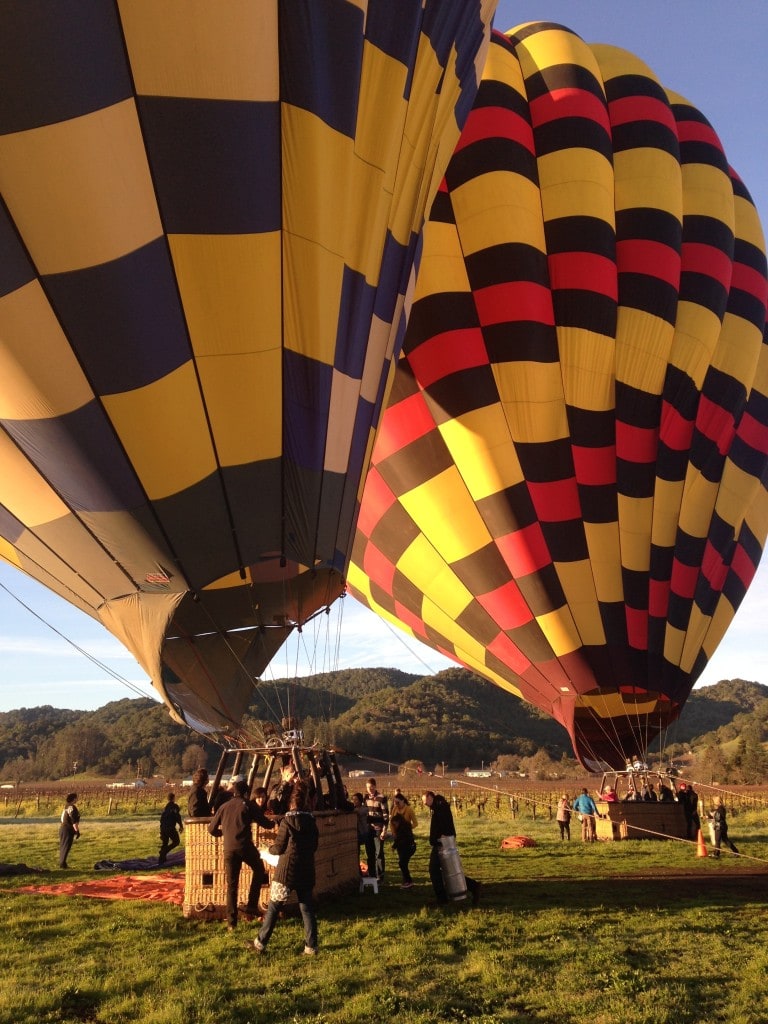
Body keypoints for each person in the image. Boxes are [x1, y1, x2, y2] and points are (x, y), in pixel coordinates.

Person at [251, 780, 319, 956]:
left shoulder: (287, 821)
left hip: (287, 872)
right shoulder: (312, 822)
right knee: (307, 909)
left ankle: (260, 943)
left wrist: (267, 849)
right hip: (306, 869)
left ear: (291, 802)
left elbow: (279, 848)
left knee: (274, 908)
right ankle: (311, 947)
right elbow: (314, 846)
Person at [208, 779, 275, 930]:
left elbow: (211, 829)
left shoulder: (224, 807)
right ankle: (251, 905)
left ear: (234, 792)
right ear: (246, 792)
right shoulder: (248, 805)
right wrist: (275, 823)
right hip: (245, 846)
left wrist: (224, 833)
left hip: (229, 849)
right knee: (259, 870)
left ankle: (232, 923)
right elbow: (264, 822)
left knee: (232, 885)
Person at [421, 790, 481, 906]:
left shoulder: (440, 806)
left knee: (434, 870)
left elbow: (445, 822)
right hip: (440, 842)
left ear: (430, 797)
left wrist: (444, 834)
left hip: (442, 843)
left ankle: (442, 899)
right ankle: (473, 886)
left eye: (425, 800)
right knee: (448, 870)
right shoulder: (437, 806)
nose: (424, 803)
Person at [390, 792, 418, 888]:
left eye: (398, 802)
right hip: (398, 838)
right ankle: (405, 880)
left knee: (403, 862)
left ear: (403, 801)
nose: (396, 804)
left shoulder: (409, 809)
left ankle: (408, 881)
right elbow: (391, 821)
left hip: (406, 839)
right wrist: (393, 833)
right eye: (395, 802)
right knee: (402, 861)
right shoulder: (394, 809)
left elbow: (415, 823)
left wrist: (407, 829)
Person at [363, 778, 389, 880]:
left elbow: (386, 815)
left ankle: (380, 876)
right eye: (368, 788)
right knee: (369, 853)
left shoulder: (382, 798)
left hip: (379, 829)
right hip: (369, 829)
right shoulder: (365, 798)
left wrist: (384, 830)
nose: (370, 789)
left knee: (379, 853)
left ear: (375, 786)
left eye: (371, 787)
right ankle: (372, 875)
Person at [158, 792, 183, 865]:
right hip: (170, 828)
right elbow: (177, 816)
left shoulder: (165, 808)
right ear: (174, 798)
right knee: (176, 841)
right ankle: (164, 851)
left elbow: (161, 819)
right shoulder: (175, 806)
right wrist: (181, 826)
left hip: (163, 828)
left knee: (165, 843)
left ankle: (161, 860)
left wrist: (161, 829)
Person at [59, 792, 80, 868]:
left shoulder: (66, 806)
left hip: (62, 828)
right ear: (74, 799)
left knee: (63, 846)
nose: (77, 799)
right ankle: (62, 864)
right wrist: (77, 831)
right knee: (66, 846)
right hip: (67, 829)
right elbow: (73, 820)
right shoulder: (72, 807)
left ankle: (62, 863)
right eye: (76, 798)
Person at [351, 792, 369, 866]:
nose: (354, 801)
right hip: (357, 833)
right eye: (353, 800)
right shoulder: (354, 809)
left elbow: (359, 812)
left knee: (368, 851)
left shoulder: (364, 809)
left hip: (364, 832)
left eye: (356, 800)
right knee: (356, 852)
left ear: (360, 800)